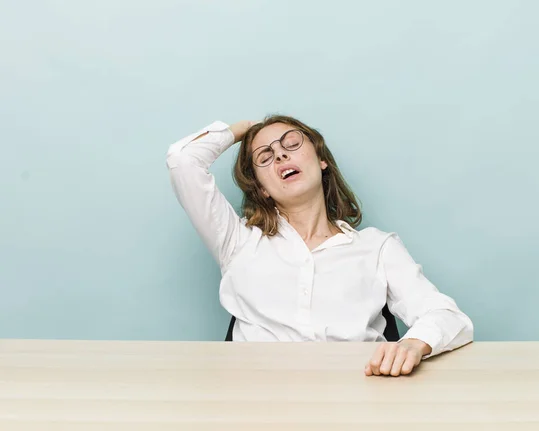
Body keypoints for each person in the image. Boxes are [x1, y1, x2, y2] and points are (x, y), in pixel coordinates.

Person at [166, 115, 474, 377]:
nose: (280, 156)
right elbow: (183, 160)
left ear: (321, 159)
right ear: (262, 188)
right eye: (265, 156)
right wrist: (244, 129)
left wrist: (413, 344)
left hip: (355, 402)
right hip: (257, 406)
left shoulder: (377, 247)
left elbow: (448, 316)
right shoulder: (237, 240)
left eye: (291, 144)